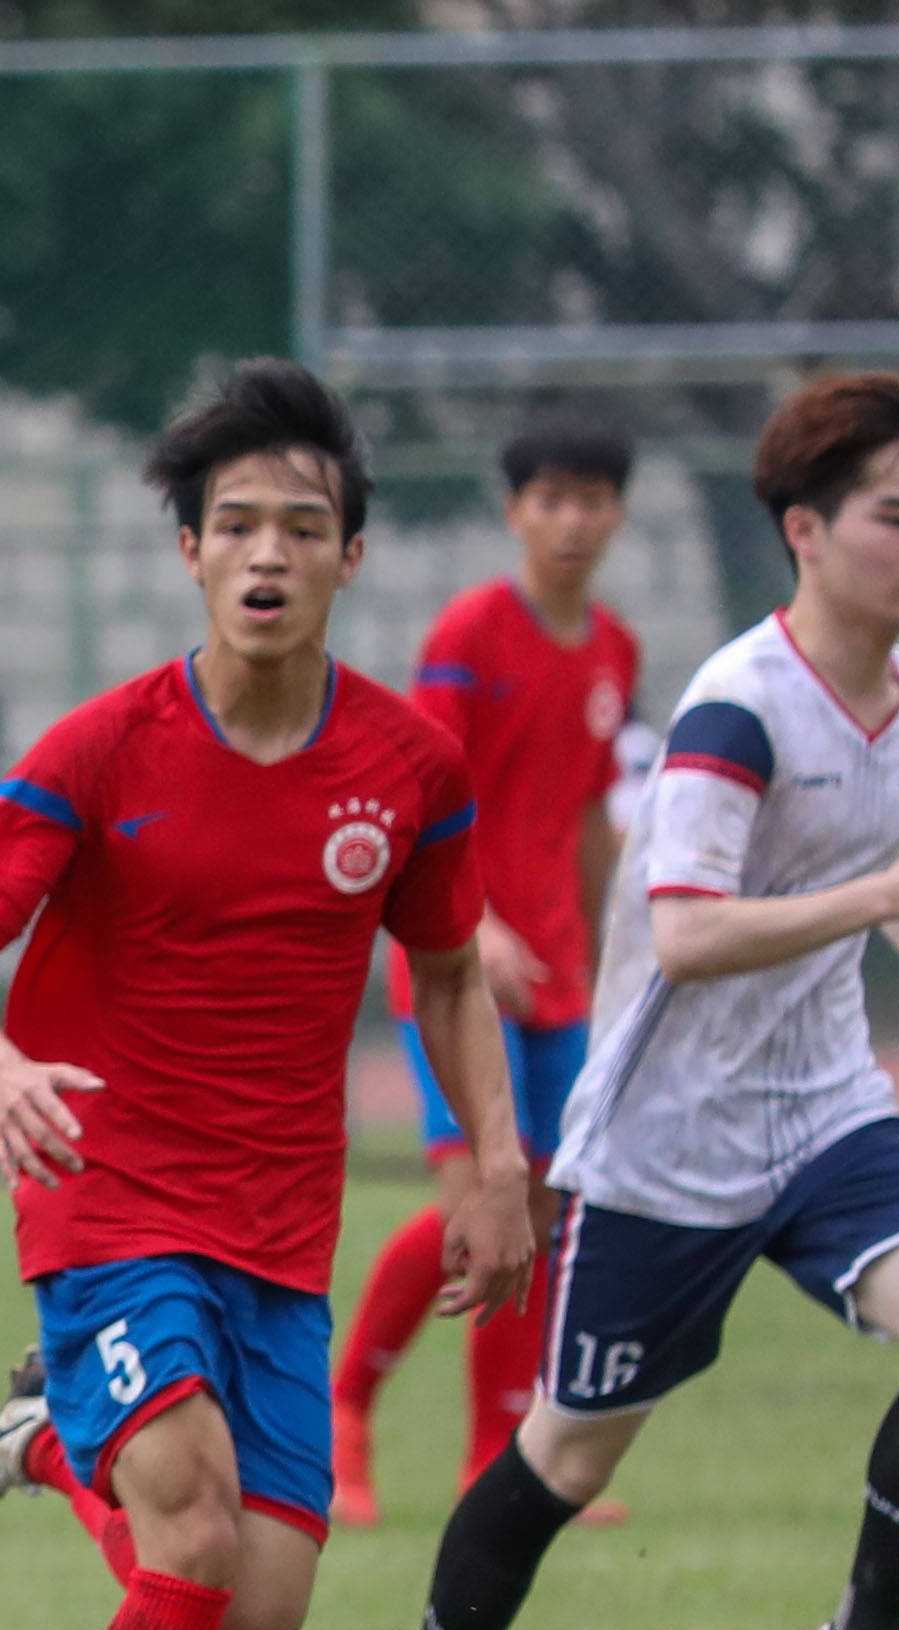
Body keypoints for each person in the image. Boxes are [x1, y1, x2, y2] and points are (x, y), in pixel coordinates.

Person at [0, 361, 535, 1630]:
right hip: (104, 1187)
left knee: (249, 1617)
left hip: (277, 1219)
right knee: (184, 1530)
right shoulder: (102, 747)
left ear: (349, 557)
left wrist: (490, 1158)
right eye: (236, 523)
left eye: (303, 524)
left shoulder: (405, 765)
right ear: (187, 548)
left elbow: (451, 972)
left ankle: (57, 1445)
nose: (268, 551)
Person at [370, 372, 899, 1630]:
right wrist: (883, 903)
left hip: (822, 1112)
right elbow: (682, 932)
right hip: (668, 1142)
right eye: (893, 517)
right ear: (803, 530)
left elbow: (874, 866)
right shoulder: (735, 706)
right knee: (565, 1460)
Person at [331, 410, 645, 1529]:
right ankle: (345, 1408)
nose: (570, 520)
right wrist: (477, 929)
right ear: (514, 511)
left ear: (616, 512)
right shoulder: (469, 632)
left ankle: (497, 1462)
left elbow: (593, 819)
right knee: (477, 1201)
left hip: (559, 976)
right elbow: (421, 799)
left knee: (546, 1209)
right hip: (457, 971)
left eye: (591, 498)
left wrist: (611, 961)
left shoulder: (614, 650)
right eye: (548, 498)